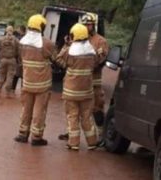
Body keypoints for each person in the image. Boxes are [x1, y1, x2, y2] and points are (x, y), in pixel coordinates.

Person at [59, 13, 109, 142]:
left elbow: (99, 61)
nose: (87, 27)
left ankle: (101, 134)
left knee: (96, 108)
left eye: (89, 24)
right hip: (76, 82)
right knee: (72, 110)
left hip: (93, 82)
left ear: (94, 25)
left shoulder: (100, 41)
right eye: (84, 24)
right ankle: (71, 133)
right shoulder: (76, 38)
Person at [14, 14, 56, 146]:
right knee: (39, 110)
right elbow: (54, 58)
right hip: (42, 84)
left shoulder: (22, 43)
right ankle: (36, 137)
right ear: (41, 27)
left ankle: (22, 134)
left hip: (27, 82)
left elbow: (19, 59)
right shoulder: (46, 43)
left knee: (26, 108)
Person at [56, 23, 98, 150]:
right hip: (87, 91)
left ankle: (73, 143)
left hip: (71, 91)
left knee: (72, 116)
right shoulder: (92, 51)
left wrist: (66, 44)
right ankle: (92, 142)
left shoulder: (70, 51)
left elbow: (58, 59)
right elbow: (96, 63)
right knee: (87, 116)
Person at [0, 26, 19, 98]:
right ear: (13, 31)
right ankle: (8, 93)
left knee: (1, 75)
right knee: (10, 76)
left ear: (6, 31)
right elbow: (19, 51)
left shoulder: (1, 39)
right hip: (12, 59)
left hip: (3, 59)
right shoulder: (16, 40)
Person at [11, 25, 26, 91]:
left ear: (21, 29)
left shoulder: (21, 38)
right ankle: (22, 89)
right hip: (23, 59)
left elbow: (17, 49)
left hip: (20, 59)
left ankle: (13, 88)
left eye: (18, 29)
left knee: (17, 74)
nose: (18, 30)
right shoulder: (25, 37)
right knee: (22, 75)